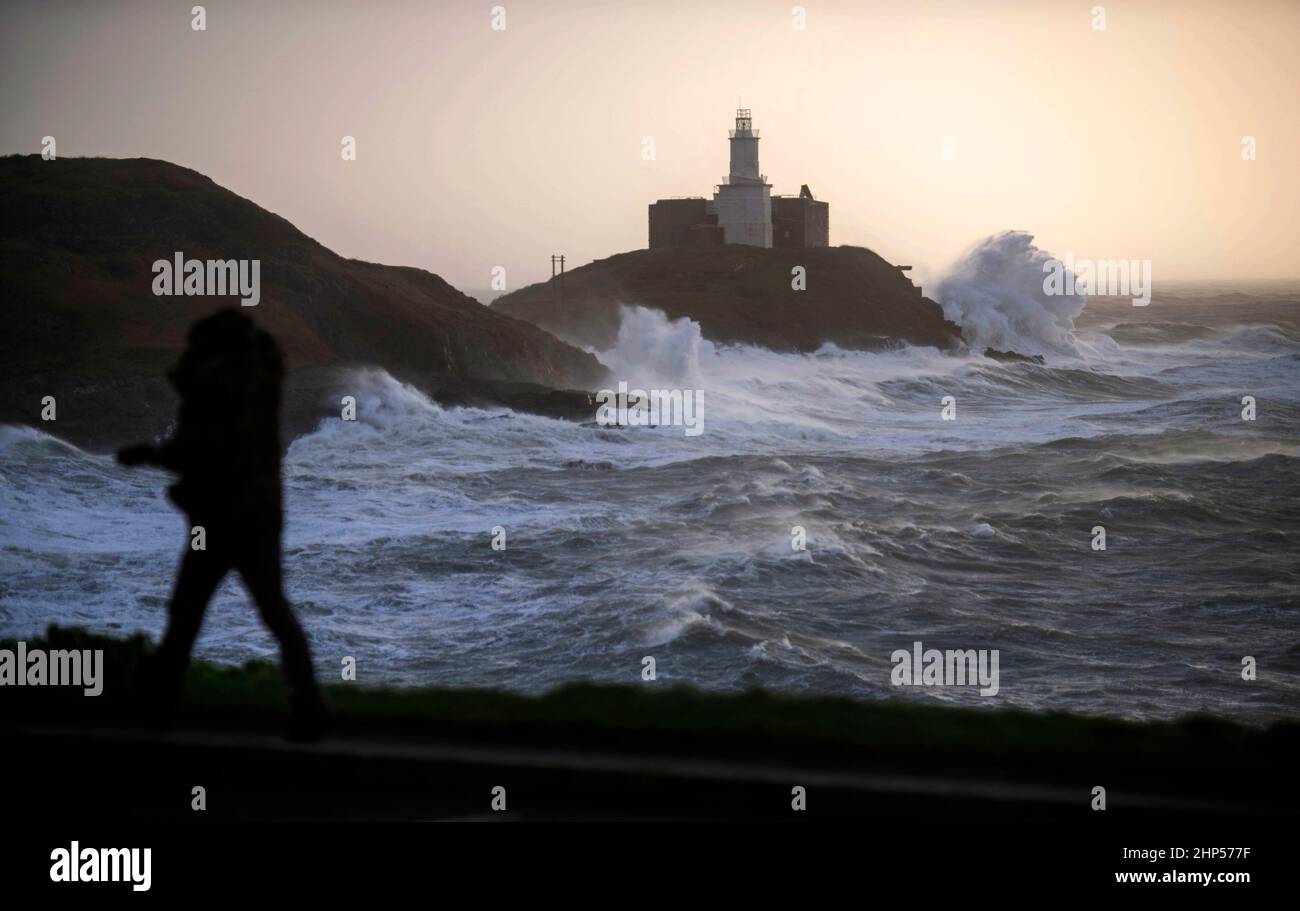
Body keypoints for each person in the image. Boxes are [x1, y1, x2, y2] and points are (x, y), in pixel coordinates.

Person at [118, 309, 326, 740]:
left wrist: (148, 455)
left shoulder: (217, 389)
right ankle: (309, 708)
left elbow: (201, 449)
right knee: (273, 610)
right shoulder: (259, 383)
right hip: (261, 516)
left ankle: (156, 709)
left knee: (187, 612)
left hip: (220, 519)